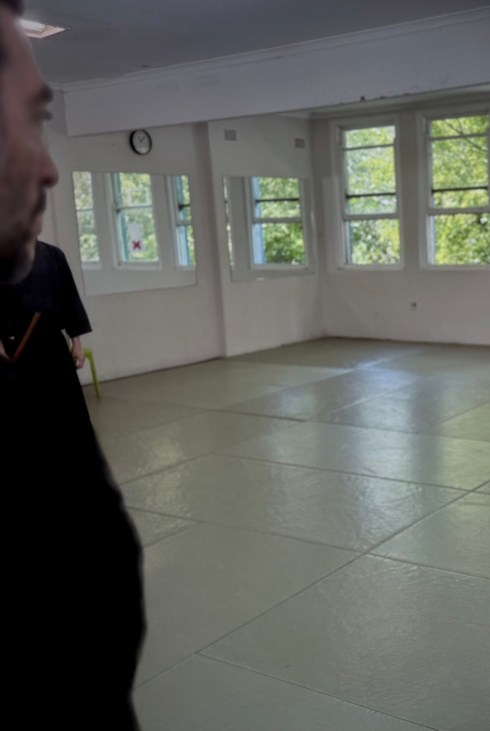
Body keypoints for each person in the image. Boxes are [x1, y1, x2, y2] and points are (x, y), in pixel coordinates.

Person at [1, 1, 145, 727]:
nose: (49, 168)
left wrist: (76, 340)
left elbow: (65, 304)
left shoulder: (48, 258)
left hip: (48, 365)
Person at [0, 239, 92, 367]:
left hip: (53, 341)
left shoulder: (54, 254)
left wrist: (76, 343)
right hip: (15, 344)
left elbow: (70, 299)